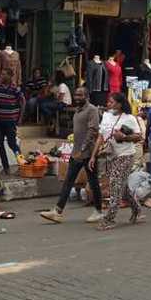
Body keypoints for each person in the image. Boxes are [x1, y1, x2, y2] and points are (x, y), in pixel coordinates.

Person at [39, 86, 103, 224]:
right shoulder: (77, 111)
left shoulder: (92, 110)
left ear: (86, 96)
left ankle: (98, 211)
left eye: (80, 95)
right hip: (76, 153)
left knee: (93, 182)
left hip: (88, 154)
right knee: (68, 181)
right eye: (76, 95)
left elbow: (93, 131)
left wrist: (84, 149)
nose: (77, 97)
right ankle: (57, 211)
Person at [89, 92, 143, 231]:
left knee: (114, 183)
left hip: (126, 155)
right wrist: (93, 155)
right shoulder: (106, 116)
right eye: (109, 102)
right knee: (122, 187)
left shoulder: (129, 118)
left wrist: (124, 137)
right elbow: (101, 137)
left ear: (119, 104)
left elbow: (138, 137)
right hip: (111, 156)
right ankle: (136, 209)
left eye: (112, 102)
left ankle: (109, 219)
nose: (109, 104)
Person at [0, 69, 24, 175]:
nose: (1, 76)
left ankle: (22, 164)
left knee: (12, 144)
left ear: (10, 76)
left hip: (10, 121)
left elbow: (23, 102)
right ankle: (6, 167)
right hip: (0, 121)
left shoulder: (15, 89)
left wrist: (20, 118)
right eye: (1, 74)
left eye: (4, 74)